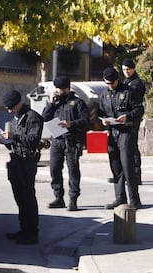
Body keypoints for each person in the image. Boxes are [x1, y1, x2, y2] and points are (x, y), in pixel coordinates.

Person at [0, 90, 43, 245]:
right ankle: (24, 229)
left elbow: (33, 140)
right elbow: (16, 142)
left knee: (28, 198)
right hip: (16, 161)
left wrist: (14, 137)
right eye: (8, 108)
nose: (10, 111)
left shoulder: (33, 117)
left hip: (27, 162)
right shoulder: (17, 118)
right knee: (20, 198)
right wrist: (5, 141)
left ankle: (32, 233)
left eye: (12, 107)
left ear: (19, 103)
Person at [42, 76, 90, 211]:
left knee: (73, 170)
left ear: (67, 88)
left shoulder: (77, 102)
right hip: (57, 140)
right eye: (56, 88)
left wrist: (70, 124)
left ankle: (73, 199)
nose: (58, 91)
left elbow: (85, 120)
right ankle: (58, 197)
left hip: (71, 141)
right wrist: (51, 103)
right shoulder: (54, 102)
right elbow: (45, 117)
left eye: (61, 89)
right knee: (54, 169)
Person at [98, 67, 144, 210]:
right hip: (113, 132)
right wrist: (104, 120)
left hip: (126, 131)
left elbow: (139, 110)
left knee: (128, 166)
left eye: (112, 83)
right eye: (107, 83)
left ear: (117, 79)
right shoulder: (104, 95)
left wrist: (127, 117)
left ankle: (134, 199)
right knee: (116, 166)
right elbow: (101, 112)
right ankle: (120, 198)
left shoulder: (129, 92)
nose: (110, 86)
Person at [122, 58, 146, 185]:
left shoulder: (136, 83)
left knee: (132, 147)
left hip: (132, 118)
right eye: (124, 69)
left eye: (128, 69)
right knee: (125, 148)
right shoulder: (126, 82)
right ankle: (126, 174)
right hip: (124, 118)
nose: (126, 72)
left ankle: (136, 175)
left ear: (133, 69)